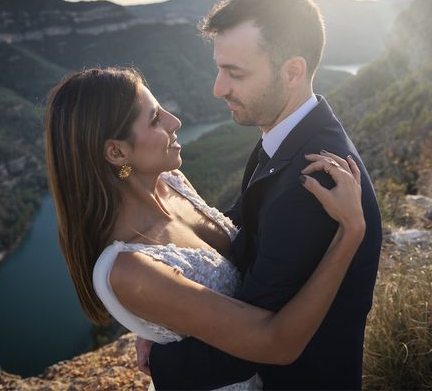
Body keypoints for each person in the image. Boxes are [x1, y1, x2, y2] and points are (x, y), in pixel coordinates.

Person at [44, 66, 366, 391]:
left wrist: (162, 323)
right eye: (155, 119)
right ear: (116, 152)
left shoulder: (170, 183)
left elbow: (218, 253)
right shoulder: (129, 268)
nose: (175, 121)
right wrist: (349, 234)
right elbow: (275, 343)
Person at [141, 0, 383, 390]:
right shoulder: (289, 139)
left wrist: (163, 351)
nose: (219, 88)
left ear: (292, 72)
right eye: (220, 68)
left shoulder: (312, 182)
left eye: (236, 73)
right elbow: (240, 234)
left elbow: (249, 342)